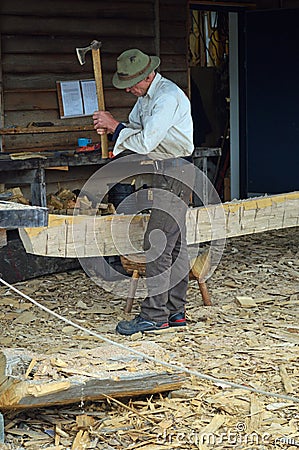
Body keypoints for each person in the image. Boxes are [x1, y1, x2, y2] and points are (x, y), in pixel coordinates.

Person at [93, 49, 194, 336]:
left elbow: (147, 140)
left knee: (158, 243)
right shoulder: (145, 98)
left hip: (175, 170)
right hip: (164, 171)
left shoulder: (166, 97)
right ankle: (175, 312)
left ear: (150, 75)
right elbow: (135, 129)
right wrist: (116, 128)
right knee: (174, 246)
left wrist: (115, 127)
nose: (128, 89)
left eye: (133, 83)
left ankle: (154, 316)